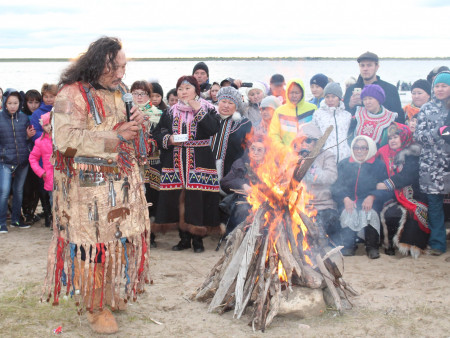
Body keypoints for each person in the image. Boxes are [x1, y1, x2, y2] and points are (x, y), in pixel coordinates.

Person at [42, 37, 150, 334]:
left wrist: (138, 123)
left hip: (121, 188)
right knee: (93, 247)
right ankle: (94, 305)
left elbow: (127, 132)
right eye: (114, 68)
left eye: (124, 68)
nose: (120, 74)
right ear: (96, 63)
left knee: (120, 240)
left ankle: (111, 293)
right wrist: (116, 136)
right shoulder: (70, 94)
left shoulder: (121, 92)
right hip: (85, 192)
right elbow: (64, 141)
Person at [153, 75, 221, 253]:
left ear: (196, 90)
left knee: (197, 199)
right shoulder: (170, 111)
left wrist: (197, 109)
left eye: (187, 89)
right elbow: (158, 134)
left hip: (200, 158)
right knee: (178, 199)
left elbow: (213, 129)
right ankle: (184, 239)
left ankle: (198, 240)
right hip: (176, 159)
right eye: (180, 89)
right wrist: (169, 139)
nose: (183, 92)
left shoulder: (208, 108)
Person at [377, 123, 429, 258]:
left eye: (396, 137)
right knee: (388, 212)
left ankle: (410, 247)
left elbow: (408, 175)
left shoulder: (413, 154)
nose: (392, 140)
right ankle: (389, 246)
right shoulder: (385, 153)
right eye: (390, 138)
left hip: (415, 195)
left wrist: (387, 183)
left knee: (414, 212)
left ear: (404, 137)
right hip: (394, 195)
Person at [331, 135, 389, 258]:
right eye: (356, 147)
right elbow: (336, 187)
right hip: (349, 201)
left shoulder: (379, 166)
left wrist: (372, 196)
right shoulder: (344, 164)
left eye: (364, 148)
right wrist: (345, 198)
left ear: (370, 149)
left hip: (370, 202)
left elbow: (386, 189)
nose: (359, 151)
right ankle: (348, 246)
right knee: (348, 212)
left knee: (369, 213)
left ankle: (372, 246)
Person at [414, 71, 450, 256]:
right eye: (437, 86)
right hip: (433, 165)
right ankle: (437, 244)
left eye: (444, 86)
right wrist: (439, 132)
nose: (440, 89)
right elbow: (418, 136)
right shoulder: (427, 108)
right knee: (435, 206)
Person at [291, 123, 339, 245]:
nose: (304, 144)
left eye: (308, 141)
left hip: (322, 205)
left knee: (319, 222)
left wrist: (311, 164)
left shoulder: (327, 155)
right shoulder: (293, 156)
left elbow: (331, 177)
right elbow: (285, 180)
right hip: (299, 205)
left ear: (317, 142)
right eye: (301, 141)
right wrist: (298, 164)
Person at [130, 80, 162, 247]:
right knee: (133, 196)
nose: (139, 97)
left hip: (152, 162)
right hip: (132, 161)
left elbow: (161, 136)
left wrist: (150, 143)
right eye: (136, 93)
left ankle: (151, 235)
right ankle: (134, 233)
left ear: (149, 96)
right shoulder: (126, 112)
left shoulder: (157, 114)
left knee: (151, 196)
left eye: (143, 93)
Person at [0, 89, 35, 233]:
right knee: (4, 191)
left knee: (18, 191)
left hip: (22, 161)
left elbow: (28, 140)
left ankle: (15, 219)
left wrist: (28, 139)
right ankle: (2, 223)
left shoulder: (24, 118)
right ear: (5, 103)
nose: (13, 106)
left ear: (19, 103)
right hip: (5, 162)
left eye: (15, 103)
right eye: (10, 103)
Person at [220, 133, 267, 236]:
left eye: (259, 150)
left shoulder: (270, 166)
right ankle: (237, 237)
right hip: (243, 199)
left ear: (265, 153)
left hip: (265, 201)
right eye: (253, 149)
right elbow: (224, 183)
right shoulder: (240, 163)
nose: (255, 152)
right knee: (243, 209)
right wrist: (243, 185)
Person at [343, 51, 404, 123]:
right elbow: (343, 117)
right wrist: (350, 105)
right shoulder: (351, 90)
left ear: (377, 67)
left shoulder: (390, 89)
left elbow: (398, 117)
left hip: (384, 131)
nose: (365, 69)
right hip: (357, 133)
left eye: (369, 65)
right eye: (362, 65)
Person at [211, 86, 252, 182]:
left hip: (232, 169)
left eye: (230, 103)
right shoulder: (209, 118)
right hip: (207, 167)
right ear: (218, 102)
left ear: (236, 106)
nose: (226, 106)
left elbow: (248, 148)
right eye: (223, 101)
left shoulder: (243, 123)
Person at [269, 79, 317, 150]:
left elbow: (317, 131)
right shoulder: (279, 111)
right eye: (291, 93)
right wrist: (284, 150)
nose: (294, 96)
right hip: (287, 155)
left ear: (302, 93)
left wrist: (312, 146)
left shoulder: (312, 109)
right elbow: (274, 135)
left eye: (297, 93)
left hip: (308, 153)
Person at [312, 82, 352, 163]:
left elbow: (350, 136)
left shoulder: (347, 115)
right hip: (326, 159)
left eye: (333, 96)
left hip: (345, 158)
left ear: (339, 98)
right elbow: (314, 136)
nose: (330, 100)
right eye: (327, 97)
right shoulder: (318, 114)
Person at [21, 89, 43, 225]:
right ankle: (27, 213)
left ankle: (33, 212)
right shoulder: (23, 116)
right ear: (26, 103)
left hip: (40, 158)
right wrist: (27, 137)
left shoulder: (43, 115)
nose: (33, 105)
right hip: (27, 157)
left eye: (36, 102)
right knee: (27, 187)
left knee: (38, 188)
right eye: (30, 102)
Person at [28, 112, 54, 222]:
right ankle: (55, 224)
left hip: (65, 176)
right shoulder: (40, 142)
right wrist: (41, 172)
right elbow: (32, 158)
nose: (49, 127)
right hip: (50, 177)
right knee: (53, 201)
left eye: (51, 124)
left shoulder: (63, 140)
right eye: (46, 125)